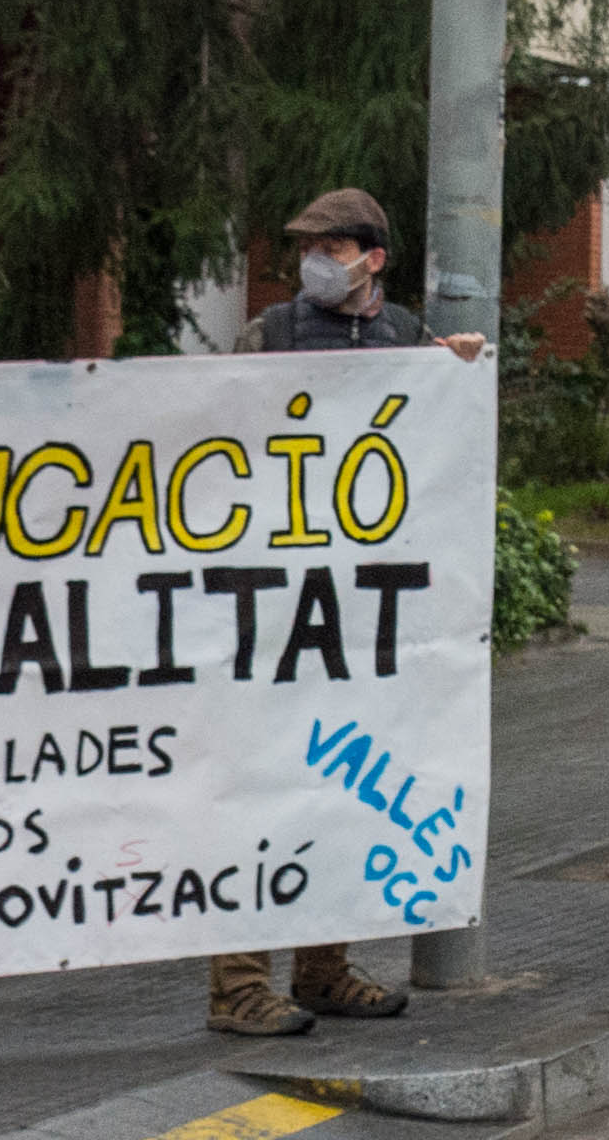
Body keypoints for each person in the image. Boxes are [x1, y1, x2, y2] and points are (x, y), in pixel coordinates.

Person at [208, 188, 494, 1040]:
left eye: (331, 248)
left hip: (362, 610)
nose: (314, 264)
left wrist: (456, 379)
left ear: (374, 258)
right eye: (308, 249)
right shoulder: (272, 336)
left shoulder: (411, 340)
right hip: (279, 600)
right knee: (264, 789)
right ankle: (238, 984)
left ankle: (322, 968)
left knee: (339, 784)